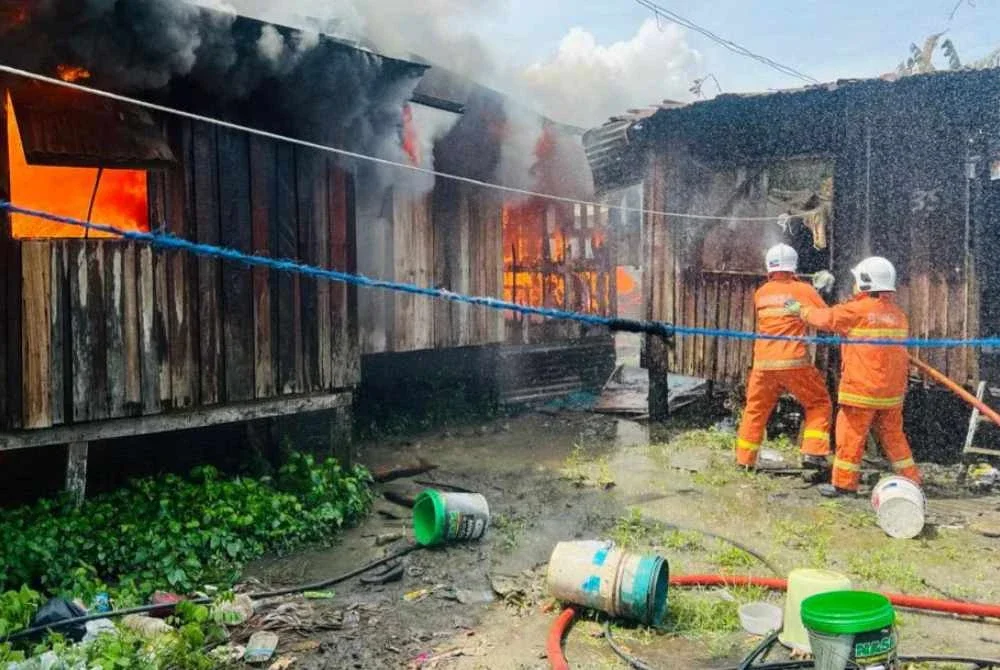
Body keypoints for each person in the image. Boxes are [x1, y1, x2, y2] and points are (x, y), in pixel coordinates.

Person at [786, 256, 922, 496]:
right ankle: (911, 481)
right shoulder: (898, 315)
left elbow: (825, 319)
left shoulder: (856, 310)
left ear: (865, 282)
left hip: (861, 391)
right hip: (891, 393)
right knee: (894, 437)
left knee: (850, 436)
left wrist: (801, 311)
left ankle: (844, 485)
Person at [735, 244, 834, 472]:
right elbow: (826, 318)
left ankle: (745, 460)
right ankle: (814, 454)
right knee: (818, 403)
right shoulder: (803, 290)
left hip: (764, 363)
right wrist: (820, 293)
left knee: (756, 409)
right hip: (793, 362)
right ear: (794, 265)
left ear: (769, 266)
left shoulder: (761, 293)